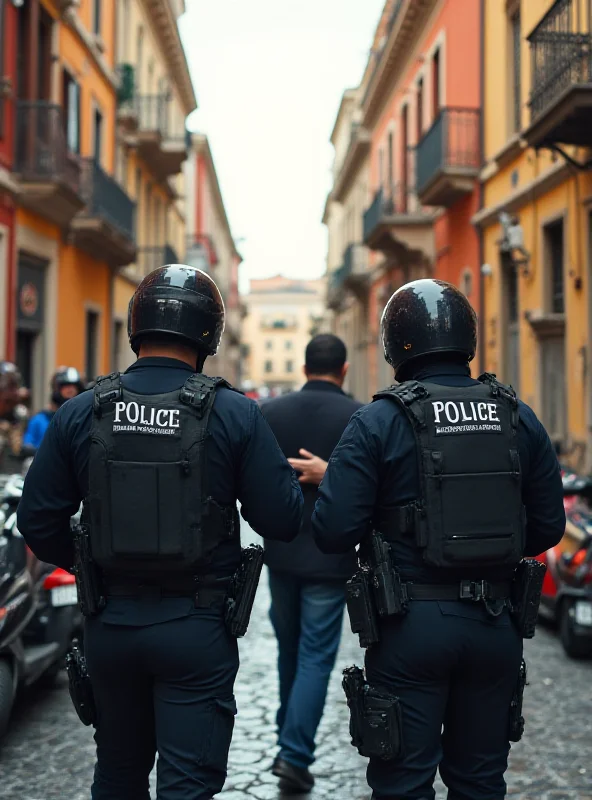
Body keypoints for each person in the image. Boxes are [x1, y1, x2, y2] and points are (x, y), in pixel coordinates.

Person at [17, 264, 303, 800]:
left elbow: (36, 518)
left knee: (119, 773)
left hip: (110, 625)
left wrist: (90, 560)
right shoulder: (235, 413)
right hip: (197, 626)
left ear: (135, 327)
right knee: (188, 784)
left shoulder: (82, 410)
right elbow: (283, 519)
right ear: (209, 334)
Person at [311, 278, 566, 800]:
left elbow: (333, 530)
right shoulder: (517, 416)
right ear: (467, 339)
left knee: (403, 783)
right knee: (479, 781)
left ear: (393, 343)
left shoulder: (378, 420)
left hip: (410, 626)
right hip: (496, 622)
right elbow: (548, 528)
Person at [260, 334, 362, 793]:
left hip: (280, 554)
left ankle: (288, 742)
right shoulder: (358, 416)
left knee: (289, 650)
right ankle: (295, 753)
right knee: (315, 656)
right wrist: (333, 474)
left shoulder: (272, 413)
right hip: (331, 555)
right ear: (343, 370)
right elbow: (369, 487)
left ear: (303, 369)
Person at [23, 367, 85, 451]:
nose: (70, 391)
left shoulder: (85, 421)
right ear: (56, 390)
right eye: (66, 386)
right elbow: (27, 446)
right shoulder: (39, 420)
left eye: (74, 387)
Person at [0, 361, 29, 474]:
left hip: (12, 476)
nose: (11, 392)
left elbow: (19, 448)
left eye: (13, 385)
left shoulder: (20, 414)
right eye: (7, 385)